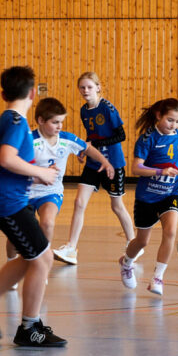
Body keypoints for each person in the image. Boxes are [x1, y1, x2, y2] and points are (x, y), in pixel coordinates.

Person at [0, 66, 66, 347]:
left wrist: (34, 172)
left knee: (32, 257)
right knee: (42, 259)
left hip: (10, 199)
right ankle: (29, 329)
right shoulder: (17, 122)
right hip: (7, 203)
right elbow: (6, 158)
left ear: (2, 93)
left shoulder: (8, 118)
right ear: (33, 93)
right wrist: (43, 174)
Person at [0, 97, 115, 273]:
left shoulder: (66, 139)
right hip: (24, 192)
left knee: (48, 223)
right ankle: (10, 262)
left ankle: (41, 265)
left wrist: (105, 161)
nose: (59, 126)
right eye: (55, 122)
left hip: (50, 192)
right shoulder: (28, 141)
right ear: (41, 121)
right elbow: (12, 168)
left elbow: (87, 148)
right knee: (16, 236)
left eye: (61, 122)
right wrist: (38, 175)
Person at [118, 98, 178, 296]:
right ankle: (126, 262)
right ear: (159, 116)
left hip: (170, 193)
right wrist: (160, 172)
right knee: (142, 241)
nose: (174, 125)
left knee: (171, 232)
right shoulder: (147, 138)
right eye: (170, 120)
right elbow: (136, 168)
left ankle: (158, 277)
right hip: (147, 197)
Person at [53, 72, 136, 266]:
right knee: (79, 202)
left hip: (113, 164)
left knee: (117, 206)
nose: (85, 91)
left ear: (98, 87)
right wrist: (86, 148)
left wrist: (95, 145)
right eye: (82, 87)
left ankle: (132, 244)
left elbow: (120, 135)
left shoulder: (107, 108)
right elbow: (91, 136)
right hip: (93, 163)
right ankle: (71, 248)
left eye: (89, 87)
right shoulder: (84, 111)